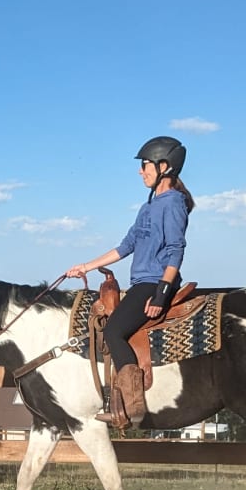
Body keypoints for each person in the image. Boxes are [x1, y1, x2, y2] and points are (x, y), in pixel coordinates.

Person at [65, 135, 195, 423]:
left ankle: (130, 406)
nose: (141, 170)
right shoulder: (148, 207)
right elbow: (125, 247)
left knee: (113, 331)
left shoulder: (173, 204)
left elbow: (176, 251)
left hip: (154, 283)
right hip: (141, 283)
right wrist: (86, 266)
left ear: (165, 166)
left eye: (145, 164)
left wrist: (161, 293)